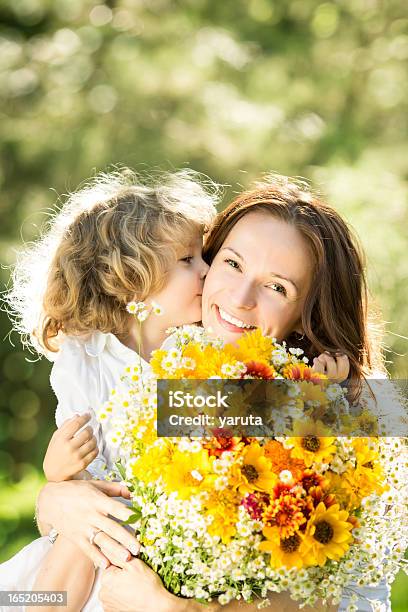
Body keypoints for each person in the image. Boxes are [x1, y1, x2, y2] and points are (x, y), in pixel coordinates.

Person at [32, 173, 391, 612]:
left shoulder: (353, 406)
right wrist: (54, 495)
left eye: (278, 287)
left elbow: (340, 593)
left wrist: (179, 610)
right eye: (232, 263)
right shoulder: (169, 366)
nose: (239, 298)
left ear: (309, 312)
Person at [0, 168, 218, 612]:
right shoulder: (87, 357)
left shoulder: (202, 346)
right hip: (96, 528)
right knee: (62, 558)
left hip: (167, 540)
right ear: (130, 277)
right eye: (187, 260)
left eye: (203, 256)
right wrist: (58, 473)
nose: (207, 271)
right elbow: (78, 470)